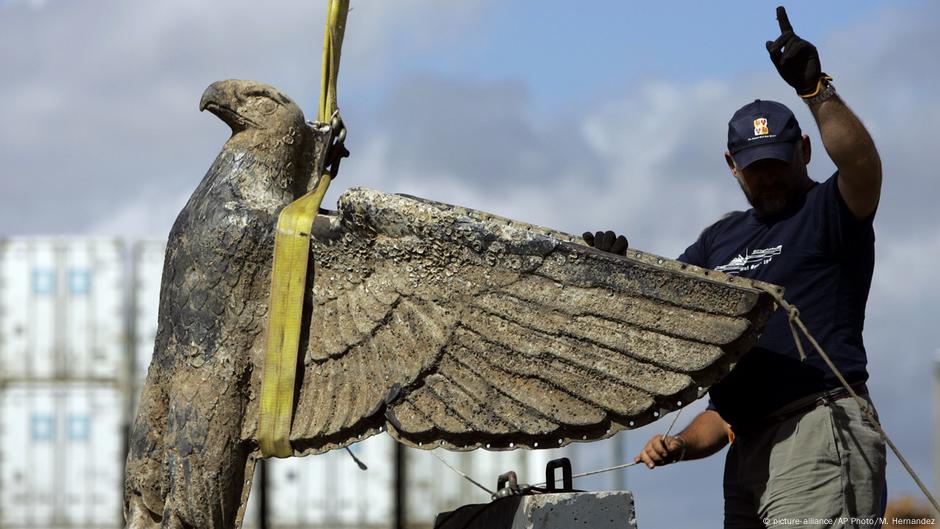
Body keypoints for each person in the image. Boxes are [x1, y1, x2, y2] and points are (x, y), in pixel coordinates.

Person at [584, 7, 886, 528]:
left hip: (817, 433)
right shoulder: (718, 241)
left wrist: (817, 92)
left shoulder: (828, 212)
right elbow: (666, 309)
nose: (766, 179)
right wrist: (611, 274)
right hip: (747, 453)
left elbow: (863, 167)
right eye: (754, 168)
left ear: (804, 152)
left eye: (776, 164)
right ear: (731, 166)